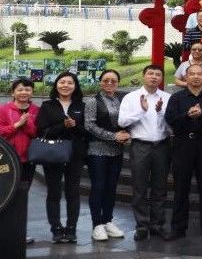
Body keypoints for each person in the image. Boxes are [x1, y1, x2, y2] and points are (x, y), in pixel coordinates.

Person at [164, 64, 202, 241]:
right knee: (180, 189)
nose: (196, 77)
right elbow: (170, 120)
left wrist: (201, 116)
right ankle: (178, 228)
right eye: (192, 74)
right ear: (186, 77)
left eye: (199, 74)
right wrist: (187, 116)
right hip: (182, 147)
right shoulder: (177, 98)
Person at [118, 65, 172, 241]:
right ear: (144, 76)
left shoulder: (167, 97)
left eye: (158, 74)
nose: (154, 77)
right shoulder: (131, 97)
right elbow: (122, 121)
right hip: (140, 146)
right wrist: (141, 110)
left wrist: (161, 112)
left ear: (161, 78)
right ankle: (141, 225)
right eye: (150, 73)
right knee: (139, 187)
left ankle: (157, 224)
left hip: (162, 146)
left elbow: (172, 126)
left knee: (160, 187)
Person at [36, 72, 87, 244]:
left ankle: (71, 228)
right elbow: (41, 131)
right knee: (54, 192)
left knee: (73, 192)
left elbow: (87, 131)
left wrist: (76, 125)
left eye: (70, 83)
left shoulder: (82, 105)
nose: (65, 85)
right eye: (62, 82)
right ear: (56, 85)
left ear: (75, 86)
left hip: (75, 155)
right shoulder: (47, 105)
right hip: (52, 154)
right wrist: (62, 126)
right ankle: (56, 229)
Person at [84, 69, 128, 242]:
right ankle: (97, 225)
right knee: (98, 187)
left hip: (116, 151)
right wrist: (113, 136)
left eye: (113, 81)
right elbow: (89, 126)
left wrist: (126, 134)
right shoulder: (92, 101)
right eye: (106, 80)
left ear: (118, 83)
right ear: (100, 82)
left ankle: (107, 221)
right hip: (97, 150)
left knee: (111, 187)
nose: (110, 83)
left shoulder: (121, 100)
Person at [0, 77, 39, 244]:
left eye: (27, 89)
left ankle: (19, 233)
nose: (24, 92)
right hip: (7, 160)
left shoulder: (36, 110)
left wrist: (26, 123)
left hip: (28, 159)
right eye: (20, 89)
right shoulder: (4, 109)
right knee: (4, 194)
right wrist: (17, 125)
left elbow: (37, 132)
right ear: (13, 92)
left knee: (22, 196)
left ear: (32, 92)